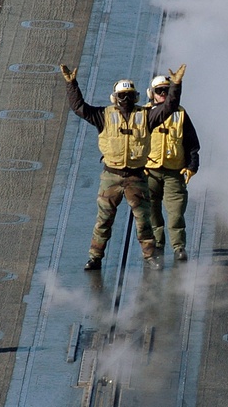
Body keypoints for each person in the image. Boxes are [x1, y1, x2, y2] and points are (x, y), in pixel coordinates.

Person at [59, 63, 186, 271]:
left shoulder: (146, 116)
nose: (125, 99)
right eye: (122, 95)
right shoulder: (104, 116)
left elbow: (169, 107)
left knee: (144, 221)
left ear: (136, 96)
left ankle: (150, 257)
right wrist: (71, 84)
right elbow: (79, 108)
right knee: (103, 220)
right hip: (111, 176)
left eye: (128, 95)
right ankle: (95, 257)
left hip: (136, 177)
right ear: (115, 98)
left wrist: (176, 85)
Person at [144, 74, 200, 262]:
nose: (163, 94)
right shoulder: (142, 114)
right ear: (152, 93)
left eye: (166, 91)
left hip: (173, 172)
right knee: (152, 212)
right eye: (159, 91)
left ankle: (178, 247)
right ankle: (158, 246)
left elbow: (192, 143)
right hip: (149, 171)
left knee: (176, 212)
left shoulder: (180, 114)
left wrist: (192, 166)